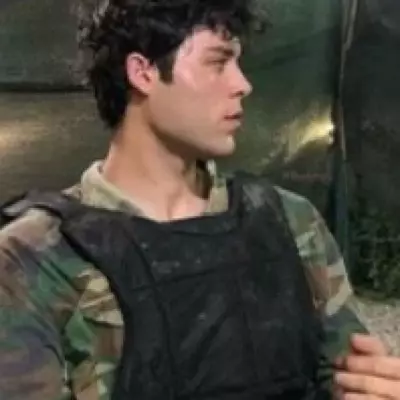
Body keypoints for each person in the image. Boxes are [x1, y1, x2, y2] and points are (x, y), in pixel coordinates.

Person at [0, 0, 399, 399]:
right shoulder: (35, 260)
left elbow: (344, 377)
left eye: (238, 63)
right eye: (217, 62)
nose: (243, 84)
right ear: (143, 72)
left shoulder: (291, 223)